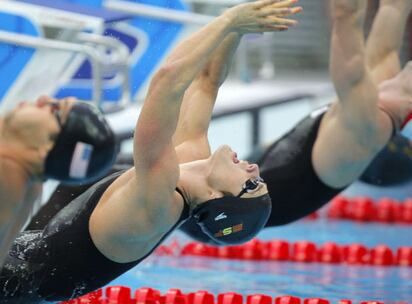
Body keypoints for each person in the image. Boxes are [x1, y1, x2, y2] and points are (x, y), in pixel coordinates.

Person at [0, 1, 301, 302]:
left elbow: (167, 80)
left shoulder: (158, 206)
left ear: (215, 198)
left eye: (250, 185)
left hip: (12, 284)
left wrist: (228, 20)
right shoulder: (190, 158)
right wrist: (239, 26)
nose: (255, 170)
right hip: (21, 252)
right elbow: (206, 80)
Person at [179, 0, 412, 242]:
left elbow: (347, 14)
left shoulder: (365, 128)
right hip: (228, 197)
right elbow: (394, 8)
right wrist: (237, 23)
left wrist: (232, 23)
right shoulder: (381, 89)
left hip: (217, 219)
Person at [0, 95, 117, 266]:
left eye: (54, 109)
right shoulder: (28, 187)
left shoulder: (7, 174)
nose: (42, 99)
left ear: (47, 146)